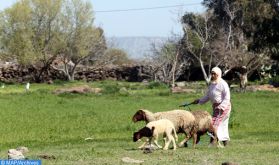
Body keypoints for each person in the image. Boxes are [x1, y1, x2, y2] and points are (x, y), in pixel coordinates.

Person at [193, 66, 231, 147]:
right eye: (212, 73)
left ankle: (213, 142)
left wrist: (222, 106)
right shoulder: (212, 84)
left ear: (218, 74)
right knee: (220, 124)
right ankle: (225, 142)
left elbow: (227, 97)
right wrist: (199, 101)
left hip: (223, 107)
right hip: (216, 107)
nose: (212, 75)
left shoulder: (223, 84)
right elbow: (208, 96)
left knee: (214, 124)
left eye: (214, 74)